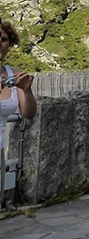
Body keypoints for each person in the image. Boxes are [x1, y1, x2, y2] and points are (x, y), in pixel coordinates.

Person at [0, 18, 37, 150]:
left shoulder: (14, 75)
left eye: (4, 39)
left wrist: (27, 90)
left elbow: (28, 114)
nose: (0, 42)